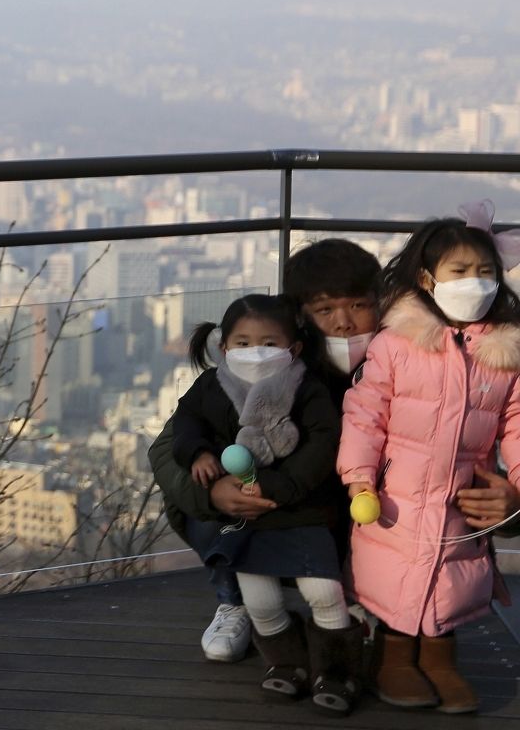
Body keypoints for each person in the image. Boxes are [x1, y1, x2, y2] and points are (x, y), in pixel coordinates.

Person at [150, 238, 383, 667]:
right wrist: (211, 491)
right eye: (325, 309)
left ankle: (361, 598)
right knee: (196, 483)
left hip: (330, 505)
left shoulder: (402, 365)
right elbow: (167, 447)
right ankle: (234, 598)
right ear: (299, 319)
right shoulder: (269, 365)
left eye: (358, 305)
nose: (345, 323)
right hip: (263, 501)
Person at [337, 202, 520, 714]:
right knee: (393, 573)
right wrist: (358, 478)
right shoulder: (397, 344)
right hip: (396, 496)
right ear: (426, 277)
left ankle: (440, 657)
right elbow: (364, 415)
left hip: (463, 492)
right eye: (459, 271)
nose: (475, 282)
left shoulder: (505, 354)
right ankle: (394, 655)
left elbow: (518, 425)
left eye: (486, 272)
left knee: (452, 574)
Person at [173, 293, 362, 714]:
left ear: (293, 348)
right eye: (242, 342)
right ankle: (286, 663)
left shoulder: (306, 386)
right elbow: (186, 422)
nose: (254, 351)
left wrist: (280, 486)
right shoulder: (212, 385)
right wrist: (198, 454)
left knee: (324, 591)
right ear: (223, 347)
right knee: (259, 597)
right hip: (244, 516)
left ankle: (337, 671)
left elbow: (322, 443)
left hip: (300, 509)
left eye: (269, 342)